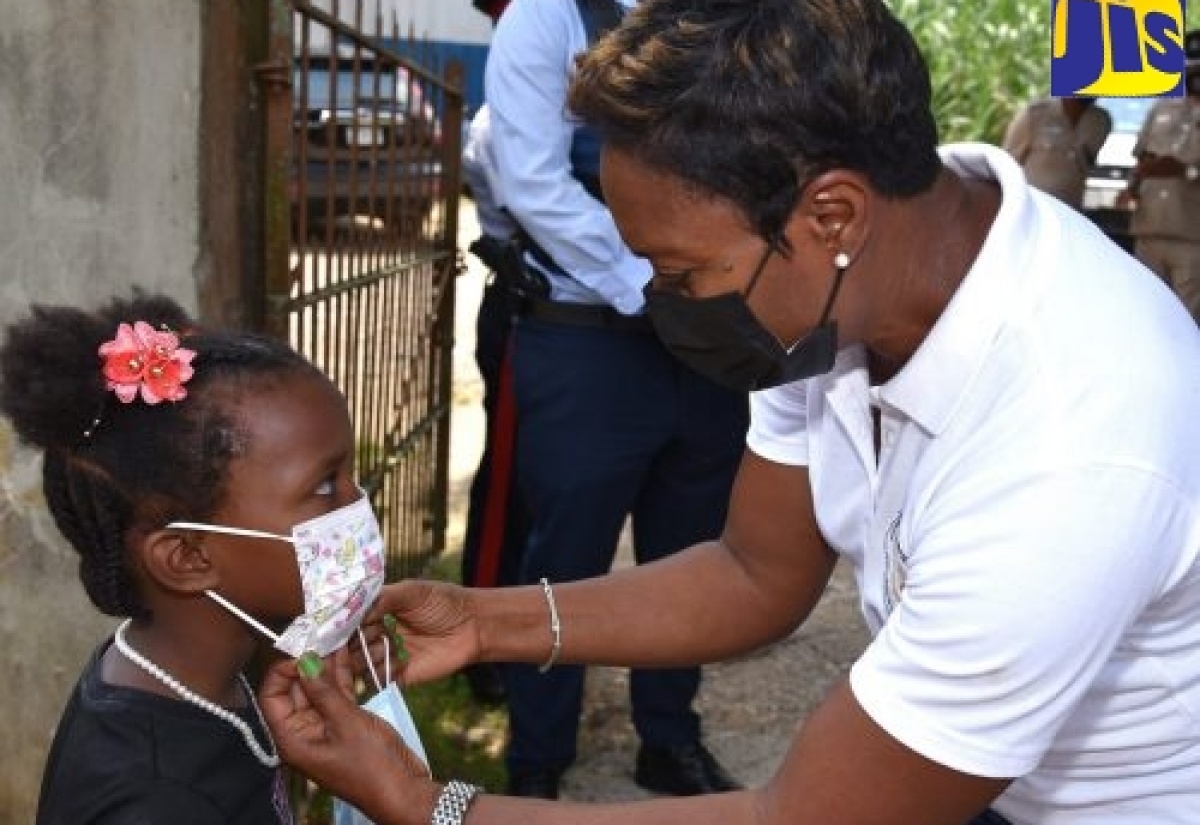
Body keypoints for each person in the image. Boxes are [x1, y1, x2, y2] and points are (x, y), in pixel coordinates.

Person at [259, 1, 1200, 824]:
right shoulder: (853, 283)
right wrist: (484, 620)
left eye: (683, 273)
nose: (665, 301)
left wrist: (431, 809)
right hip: (996, 777)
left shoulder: (1072, 438)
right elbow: (756, 571)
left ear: (831, 216)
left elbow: (800, 816)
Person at [477, 0, 749, 800]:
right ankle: (537, 761)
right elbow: (532, 182)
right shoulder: (546, 17)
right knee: (565, 561)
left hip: (704, 339)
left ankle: (668, 738)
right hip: (591, 337)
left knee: (696, 553)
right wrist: (652, 282)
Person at [1, 293, 388, 824]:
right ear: (186, 557)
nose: (359, 506)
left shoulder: (209, 669)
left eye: (349, 475)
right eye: (324, 486)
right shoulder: (155, 802)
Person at [458, 103, 529, 707]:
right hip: (525, 301)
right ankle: (483, 649)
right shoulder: (498, 121)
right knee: (509, 483)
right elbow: (531, 201)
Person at [1122, 29, 1200, 322]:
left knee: (1187, 321)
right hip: (1149, 231)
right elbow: (1144, 156)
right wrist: (1133, 185)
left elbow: (1180, 168)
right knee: (1147, 316)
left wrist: (1186, 171)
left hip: (1192, 237)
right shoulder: (1162, 108)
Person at [1000, 95, 1111, 209]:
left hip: (1069, 209)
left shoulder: (1100, 120)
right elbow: (1007, 162)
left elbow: (1088, 159)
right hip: (1031, 205)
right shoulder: (1034, 114)